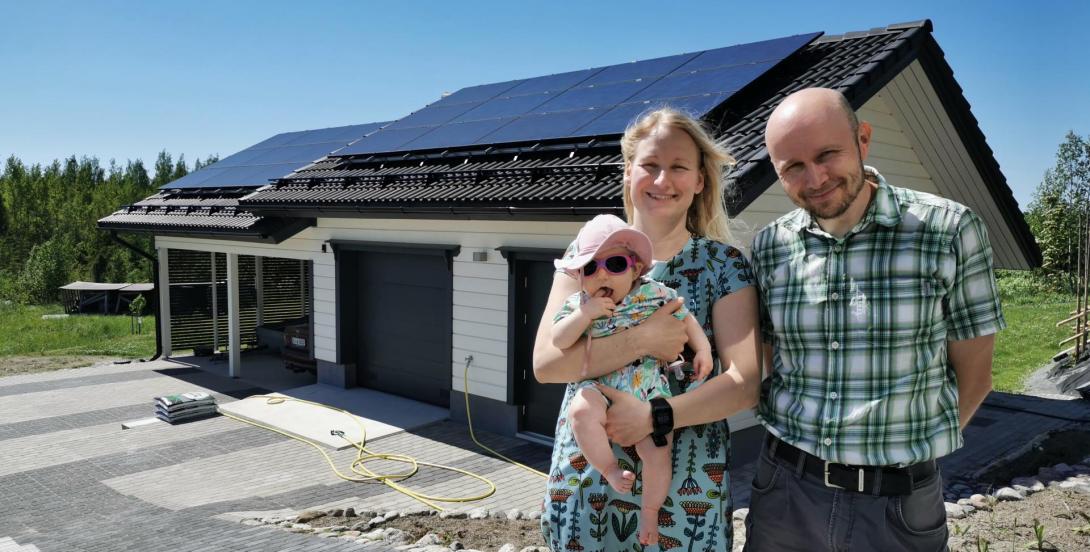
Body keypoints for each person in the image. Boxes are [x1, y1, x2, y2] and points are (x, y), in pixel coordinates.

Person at [742, 87, 1004, 551]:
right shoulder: (769, 247)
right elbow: (765, 359)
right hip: (785, 492)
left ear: (862, 139)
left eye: (828, 154)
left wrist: (904, 450)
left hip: (897, 506)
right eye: (793, 167)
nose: (816, 177)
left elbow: (976, 375)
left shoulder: (948, 231)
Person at [535, 108, 762, 552]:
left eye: (678, 167)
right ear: (629, 171)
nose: (662, 181)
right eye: (650, 166)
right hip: (586, 485)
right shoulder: (584, 255)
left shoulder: (722, 265)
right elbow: (546, 364)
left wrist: (654, 417)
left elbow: (744, 384)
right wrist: (641, 340)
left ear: (700, 180)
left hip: (685, 491)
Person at [552, 214, 715, 546]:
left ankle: (650, 512)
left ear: (636, 268)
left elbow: (684, 315)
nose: (601, 275)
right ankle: (610, 468)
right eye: (589, 268)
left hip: (647, 388)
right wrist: (584, 315)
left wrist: (703, 350)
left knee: (658, 450)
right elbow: (558, 340)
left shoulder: (655, 293)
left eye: (614, 264)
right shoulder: (578, 304)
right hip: (601, 387)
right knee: (580, 412)